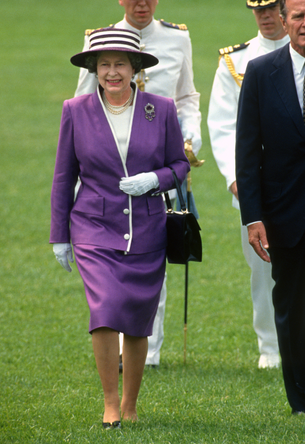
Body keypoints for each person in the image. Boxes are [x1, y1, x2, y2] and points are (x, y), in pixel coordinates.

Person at [50, 27, 190, 427]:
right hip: (94, 226)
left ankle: (130, 406)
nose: (112, 72)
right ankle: (110, 403)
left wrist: (155, 180)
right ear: (94, 69)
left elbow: (179, 165)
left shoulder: (160, 108)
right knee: (106, 310)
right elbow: (64, 176)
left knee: (136, 318)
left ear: (135, 69)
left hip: (147, 228)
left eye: (120, 64)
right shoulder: (75, 110)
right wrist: (60, 236)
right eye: (104, 65)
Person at [74, 0, 202, 368]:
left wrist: (190, 137)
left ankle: (150, 350)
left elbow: (187, 95)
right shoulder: (97, 40)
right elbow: (84, 101)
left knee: (153, 254)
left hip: (161, 157)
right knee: (112, 261)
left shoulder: (178, 38)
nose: (141, 4)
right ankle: (120, 344)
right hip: (109, 166)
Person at [208, 0, 305, 369]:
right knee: (268, 273)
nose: (266, 16)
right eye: (259, 10)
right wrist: (237, 181)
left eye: (272, 7)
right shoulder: (241, 63)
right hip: (266, 191)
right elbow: (228, 129)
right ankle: (270, 346)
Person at [236, 0, 305, 414]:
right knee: (289, 307)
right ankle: (303, 399)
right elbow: (247, 151)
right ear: (285, 21)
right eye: (299, 16)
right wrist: (253, 216)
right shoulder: (259, 73)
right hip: (284, 212)